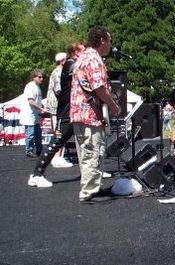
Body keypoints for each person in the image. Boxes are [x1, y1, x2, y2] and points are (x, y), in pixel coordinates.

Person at [70, 26, 120, 202]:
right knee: (93, 152)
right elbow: (98, 87)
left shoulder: (82, 57)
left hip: (79, 113)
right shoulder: (93, 59)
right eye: (109, 40)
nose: (111, 44)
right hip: (90, 114)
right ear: (102, 41)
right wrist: (113, 106)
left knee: (86, 153)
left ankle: (91, 187)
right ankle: (90, 192)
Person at [28, 43, 86, 188]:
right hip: (65, 114)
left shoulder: (73, 65)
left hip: (76, 112)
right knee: (57, 141)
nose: (86, 54)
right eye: (83, 51)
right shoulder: (69, 65)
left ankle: (90, 171)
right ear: (74, 53)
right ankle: (37, 174)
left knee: (85, 141)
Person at [45, 52, 72, 168]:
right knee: (59, 132)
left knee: (59, 131)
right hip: (57, 107)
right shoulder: (58, 73)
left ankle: (59, 156)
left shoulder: (59, 72)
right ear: (62, 61)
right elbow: (58, 91)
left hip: (58, 107)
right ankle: (57, 157)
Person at [20, 69, 48, 158]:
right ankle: (29, 151)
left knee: (38, 134)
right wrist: (41, 109)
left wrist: (43, 107)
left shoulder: (38, 87)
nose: (42, 79)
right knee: (30, 134)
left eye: (42, 77)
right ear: (34, 77)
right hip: (29, 115)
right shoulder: (30, 86)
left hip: (35, 115)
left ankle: (39, 150)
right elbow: (31, 101)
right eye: (39, 77)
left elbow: (38, 101)